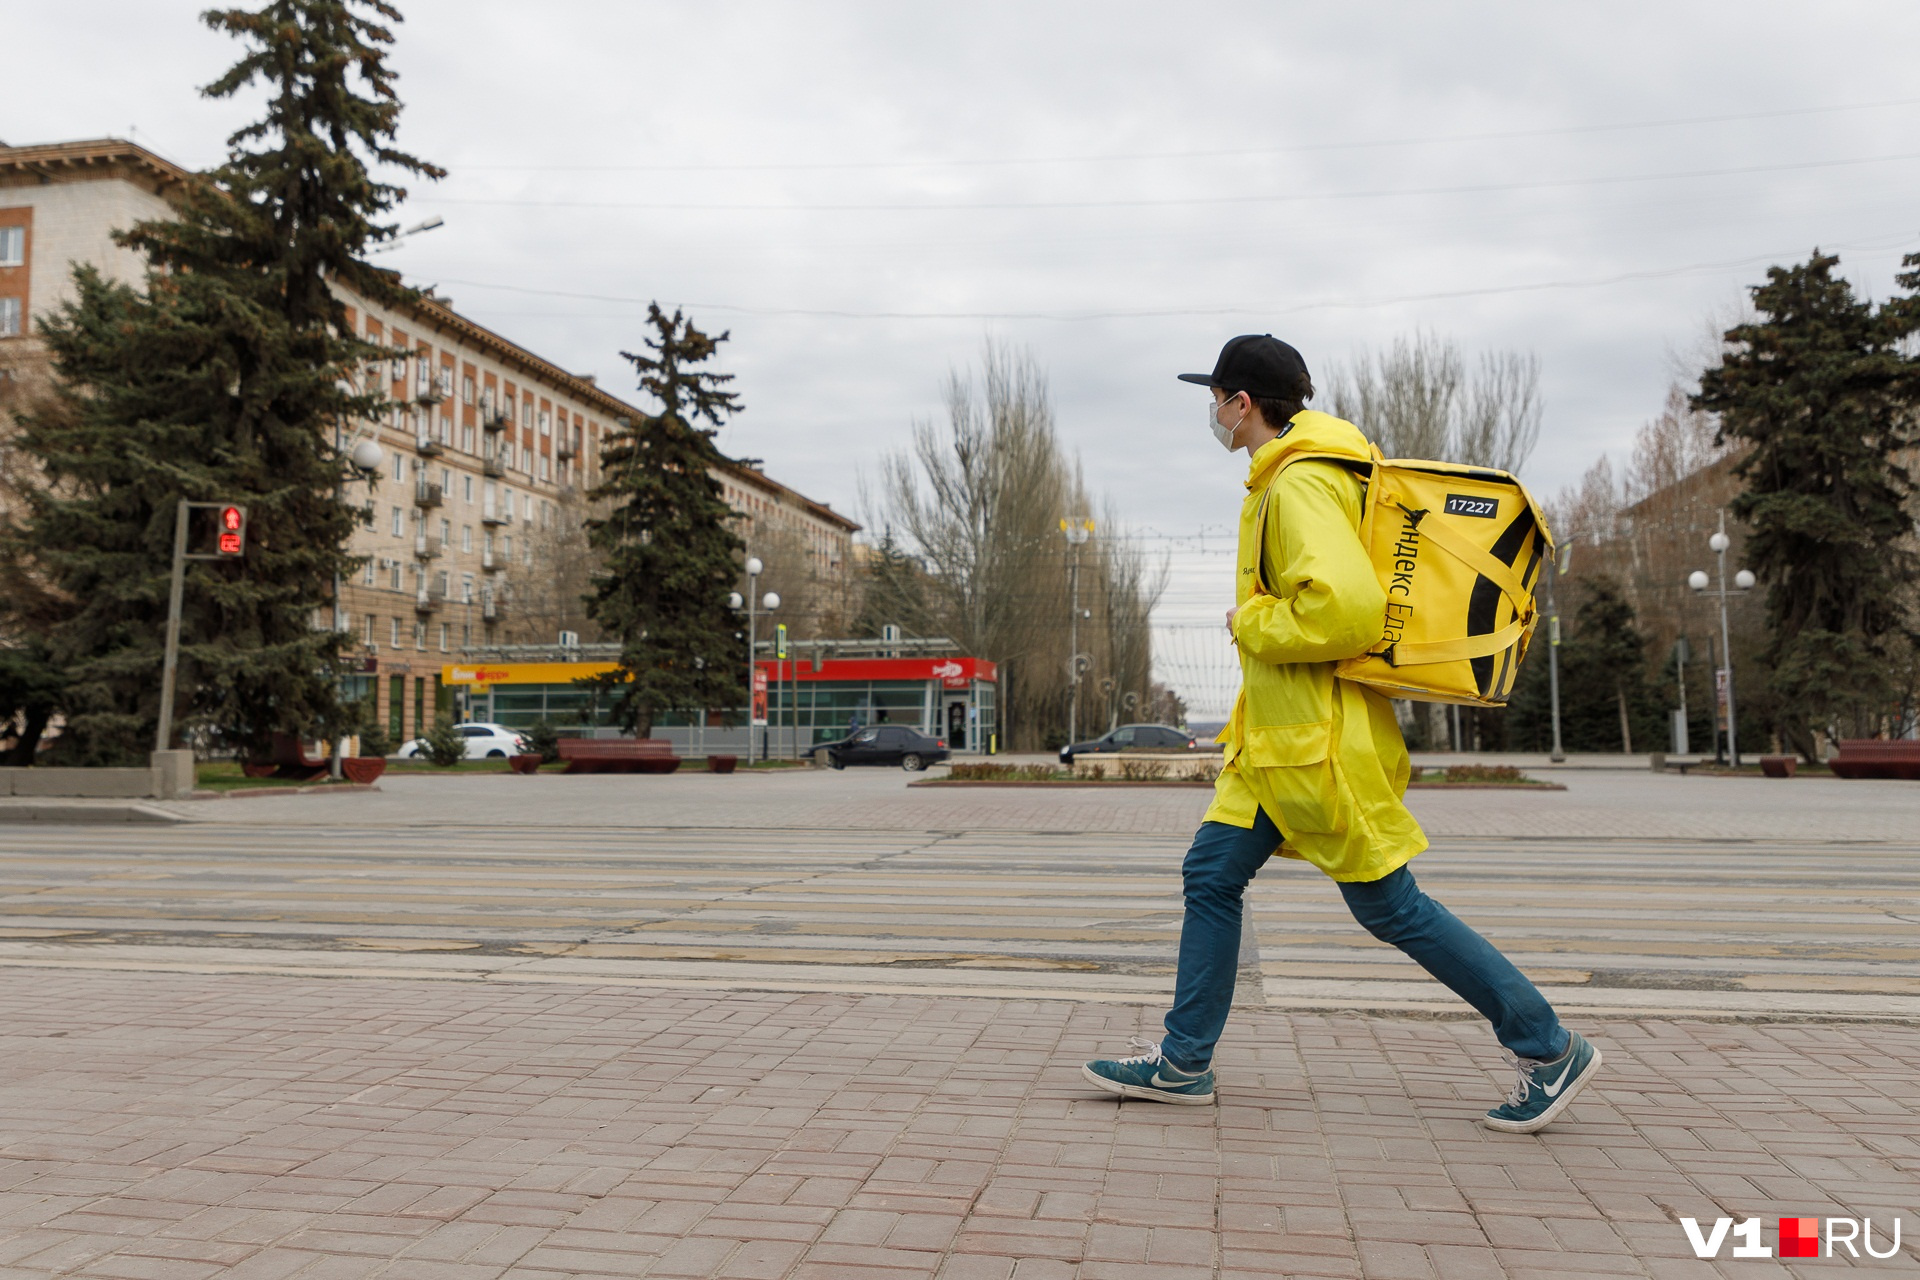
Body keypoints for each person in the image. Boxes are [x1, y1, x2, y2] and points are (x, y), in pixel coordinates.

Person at [1081, 334, 1600, 1134]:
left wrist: (1251, 620)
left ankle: (1546, 1044)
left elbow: (1347, 609)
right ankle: (1184, 1063)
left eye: (1214, 398)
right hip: (1273, 748)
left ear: (1241, 403)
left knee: (1392, 908)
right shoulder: (1293, 478)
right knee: (1211, 875)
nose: (1212, 414)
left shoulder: (1298, 486)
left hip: (1318, 747)